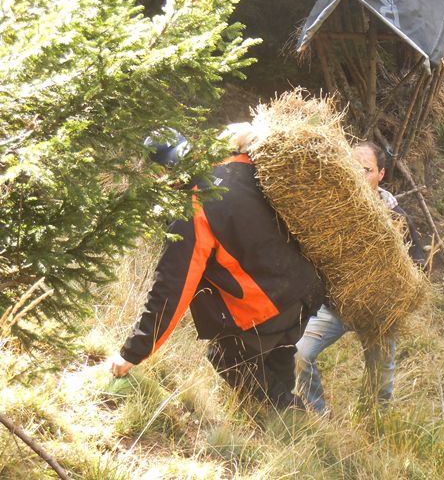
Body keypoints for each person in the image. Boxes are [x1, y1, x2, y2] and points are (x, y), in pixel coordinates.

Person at [109, 131, 325, 410]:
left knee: (226, 358)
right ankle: (289, 425)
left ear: (162, 172)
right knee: (276, 361)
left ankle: (288, 414)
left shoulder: (193, 212)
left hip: (268, 307)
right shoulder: (238, 163)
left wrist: (132, 353)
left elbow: (171, 290)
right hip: (306, 289)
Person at [293, 141, 425, 415]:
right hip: (337, 307)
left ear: (381, 174)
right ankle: (318, 414)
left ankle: (372, 423)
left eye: (366, 170)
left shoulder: (396, 218)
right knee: (300, 354)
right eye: (353, 168)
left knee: (381, 383)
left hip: (379, 313)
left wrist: (395, 300)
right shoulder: (332, 210)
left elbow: (419, 266)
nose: (359, 175)